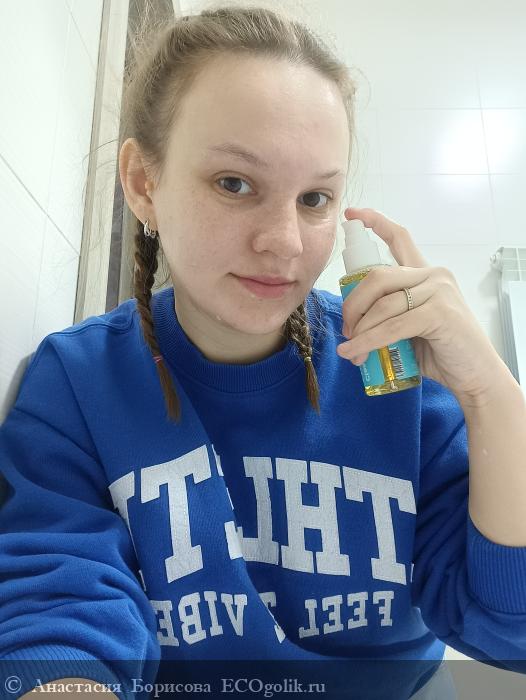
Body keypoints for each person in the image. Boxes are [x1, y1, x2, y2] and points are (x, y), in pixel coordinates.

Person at [1, 4, 526, 699]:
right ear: (143, 183)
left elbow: (508, 629)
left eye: (315, 198)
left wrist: (493, 394)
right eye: (234, 183)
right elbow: (59, 616)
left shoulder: (394, 374)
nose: (284, 241)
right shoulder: (78, 382)